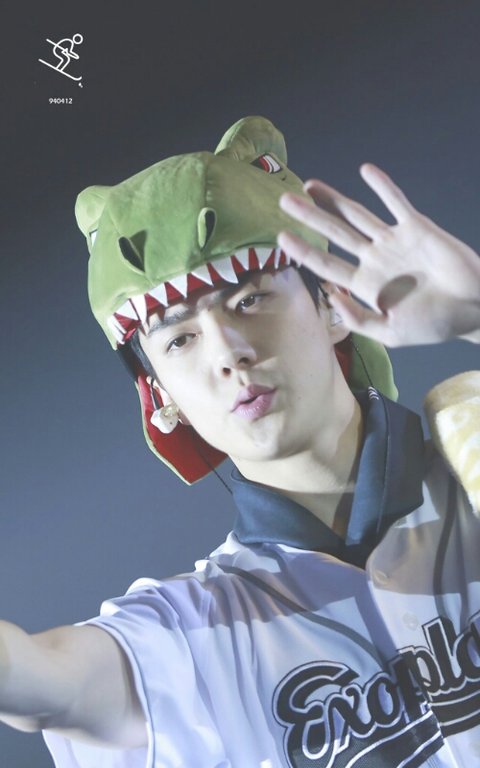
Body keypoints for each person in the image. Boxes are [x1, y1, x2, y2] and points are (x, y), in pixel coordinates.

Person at [0, 116, 479, 768]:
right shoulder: (191, 629)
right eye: (180, 339)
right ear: (160, 396)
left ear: (332, 304)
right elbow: (48, 681)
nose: (228, 353)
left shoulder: (469, 446)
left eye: (250, 300)